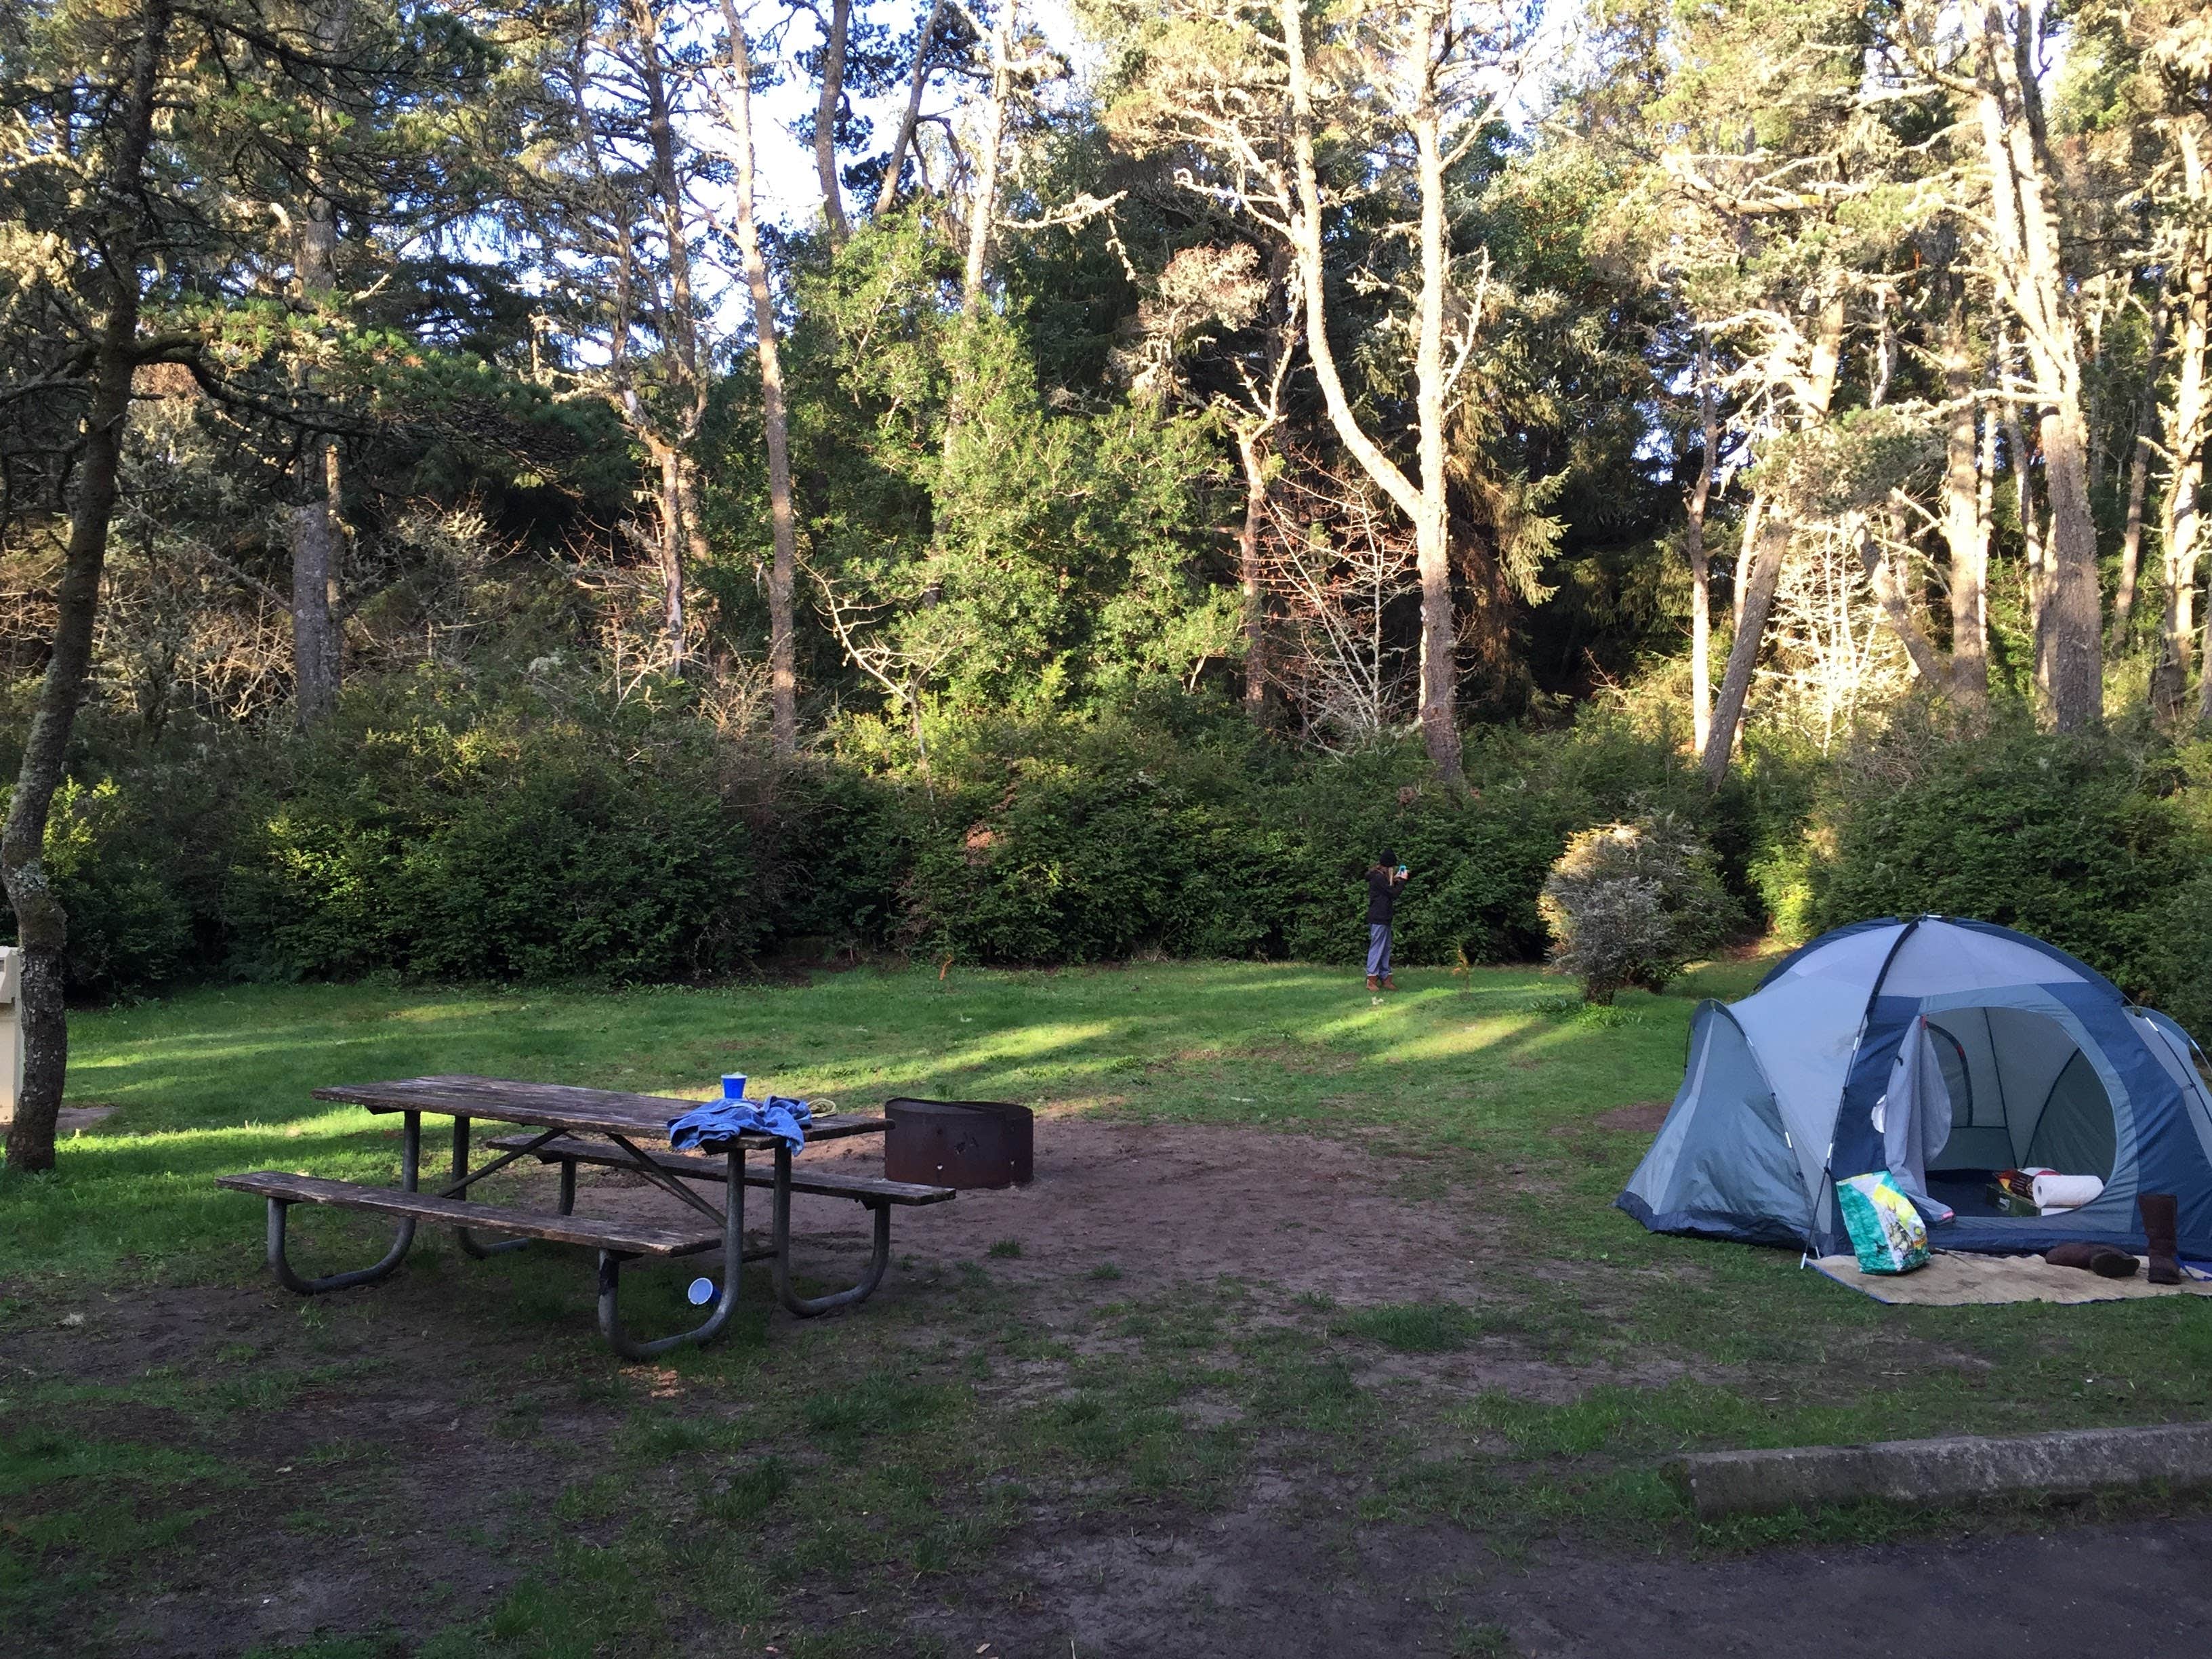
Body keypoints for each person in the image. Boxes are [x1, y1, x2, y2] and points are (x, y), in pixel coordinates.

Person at [1366, 850, 1408, 991]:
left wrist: (1395, 881)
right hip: (1378, 917)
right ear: (1388, 866)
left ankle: (1385, 977)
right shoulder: (1378, 878)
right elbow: (1393, 894)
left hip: (1385, 917)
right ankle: (1371, 978)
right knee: (1377, 947)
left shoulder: (1381, 877)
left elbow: (1388, 891)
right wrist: (1402, 882)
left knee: (1385, 949)